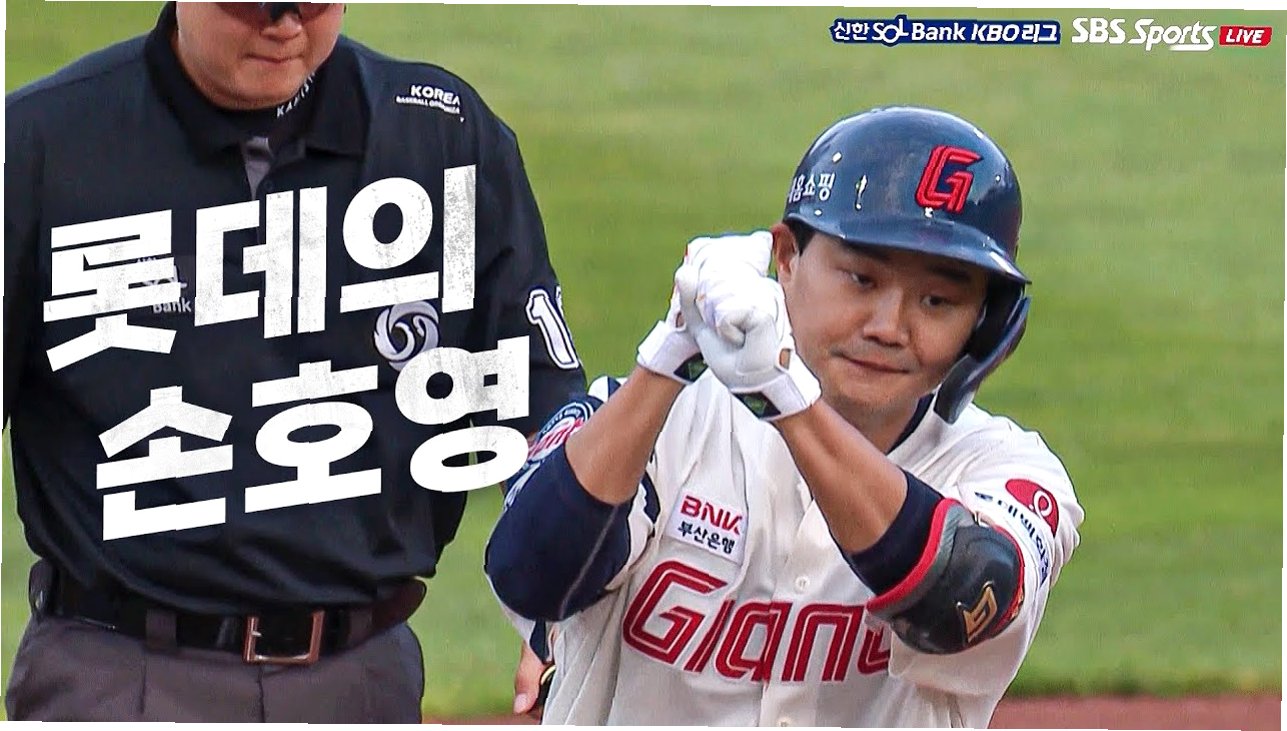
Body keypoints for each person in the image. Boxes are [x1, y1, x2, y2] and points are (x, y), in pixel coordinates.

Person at [4, 2, 585, 722]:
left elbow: (535, 404)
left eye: (310, 3)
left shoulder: (437, 136)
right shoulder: (41, 144)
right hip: (119, 675)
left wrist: (560, 605)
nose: (284, 25)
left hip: (361, 678)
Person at [486, 106, 1084, 727]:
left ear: (986, 323)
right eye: (861, 279)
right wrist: (666, 358)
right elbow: (533, 576)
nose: (889, 327)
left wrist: (785, 396)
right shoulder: (655, 423)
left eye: (937, 300)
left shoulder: (1009, 472)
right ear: (788, 258)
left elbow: (958, 595)